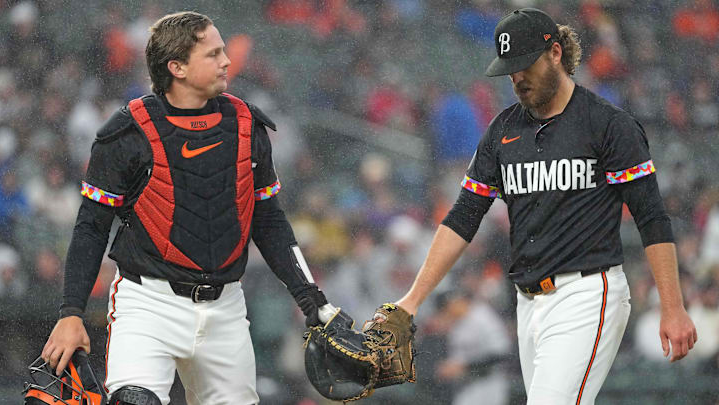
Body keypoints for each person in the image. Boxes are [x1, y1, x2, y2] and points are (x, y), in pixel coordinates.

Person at [391, 8, 697, 405]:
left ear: (555, 53)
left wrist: (672, 307)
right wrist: (411, 300)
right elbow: (463, 217)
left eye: (524, 64)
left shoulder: (607, 125)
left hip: (587, 292)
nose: (516, 77)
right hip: (528, 303)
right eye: (509, 69)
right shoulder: (502, 130)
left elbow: (652, 218)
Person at [40, 11, 334, 405]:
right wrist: (71, 312)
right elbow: (91, 227)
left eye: (223, 51)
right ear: (176, 67)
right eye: (213, 54)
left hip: (226, 308)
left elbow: (268, 220)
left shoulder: (247, 126)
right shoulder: (128, 132)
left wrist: (312, 300)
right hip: (148, 303)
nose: (226, 61)